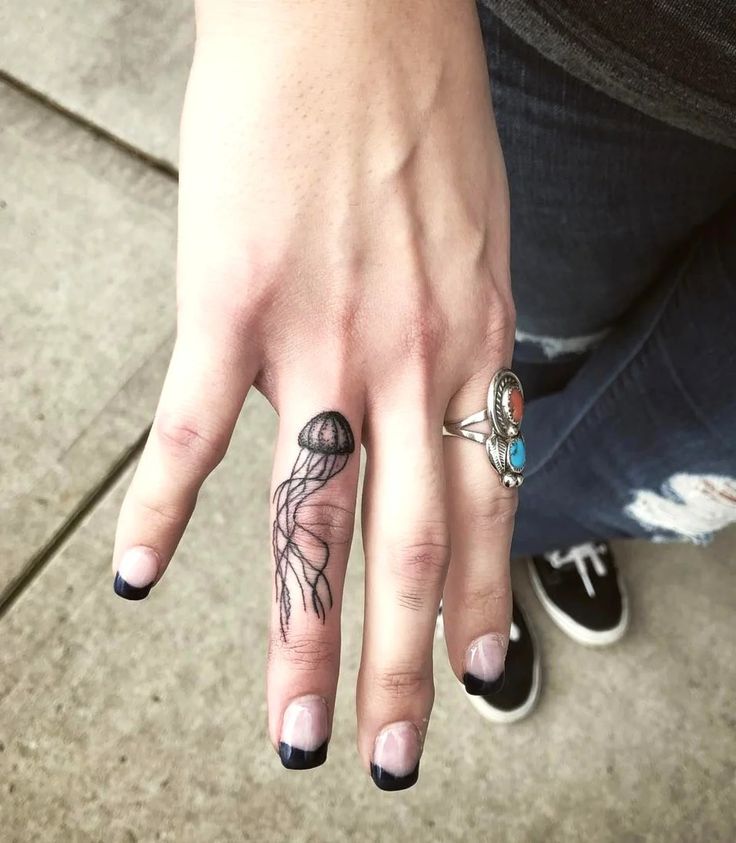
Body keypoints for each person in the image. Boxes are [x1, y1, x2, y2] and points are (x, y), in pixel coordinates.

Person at [110, 0, 736, 790]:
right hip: (620, 57)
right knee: (525, 343)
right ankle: (484, 534)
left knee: (677, 448)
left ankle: (515, 528)